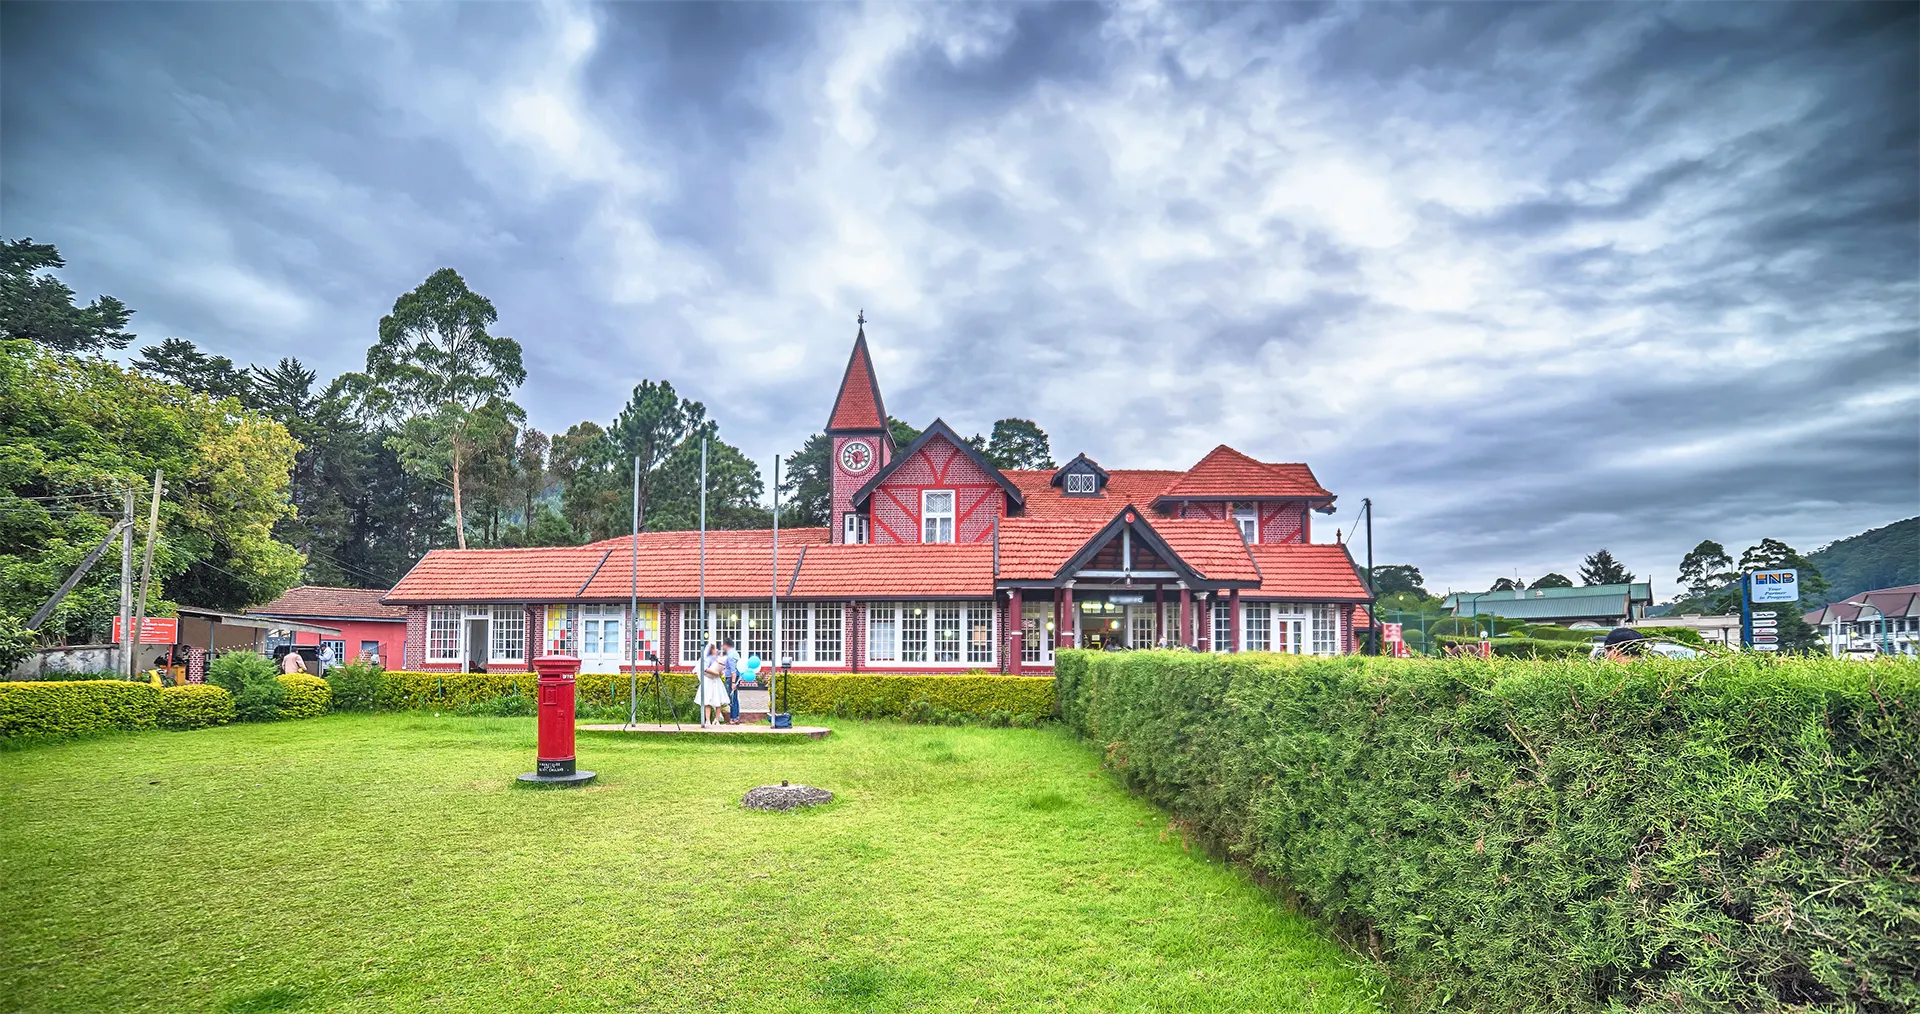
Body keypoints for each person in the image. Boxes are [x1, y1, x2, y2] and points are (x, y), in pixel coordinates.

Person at [696, 643, 730, 727]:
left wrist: (721, 672)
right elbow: (705, 669)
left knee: (718, 700)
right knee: (708, 701)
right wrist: (714, 672)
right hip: (709, 680)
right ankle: (707, 720)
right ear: (711, 650)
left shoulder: (718, 659)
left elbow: (721, 669)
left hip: (716, 681)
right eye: (715, 649)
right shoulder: (707, 659)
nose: (717, 650)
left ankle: (717, 719)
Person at [722, 637, 742, 724]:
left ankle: (733, 718)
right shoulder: (736, 653)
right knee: (735, 698)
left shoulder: (730, 656)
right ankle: (736, 717)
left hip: (731, 678)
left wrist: (733, 682)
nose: (722, 647)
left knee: (732, 698)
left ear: (726, 645)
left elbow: (733, 670)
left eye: (723, 645)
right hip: (735, 677)